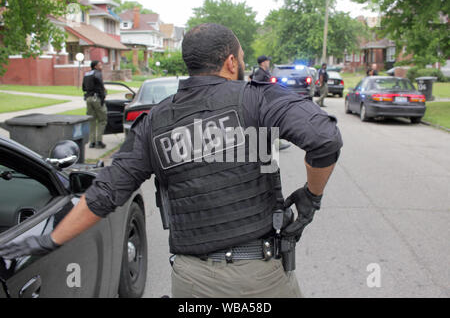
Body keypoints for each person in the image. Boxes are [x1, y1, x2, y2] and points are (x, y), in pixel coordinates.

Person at [0, 23, 343, 298]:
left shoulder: (154, 122)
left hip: (190, 282)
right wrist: (311, 197)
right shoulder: (257, 98)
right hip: (257, 279)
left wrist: (49, 239)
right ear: (231, 62)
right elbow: (325, 139)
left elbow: (106, 192)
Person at [82, 60, 107, 149]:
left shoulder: (87, 74)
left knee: (92, 120)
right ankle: (99, 141)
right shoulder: (98, 73)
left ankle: (91, 142)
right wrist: (103, 98)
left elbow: (83, 87)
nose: (101, 66)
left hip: (88, 98)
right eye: (100, 64)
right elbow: (101, 87)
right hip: (97, 98)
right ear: (95, 66)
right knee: (102, 120)